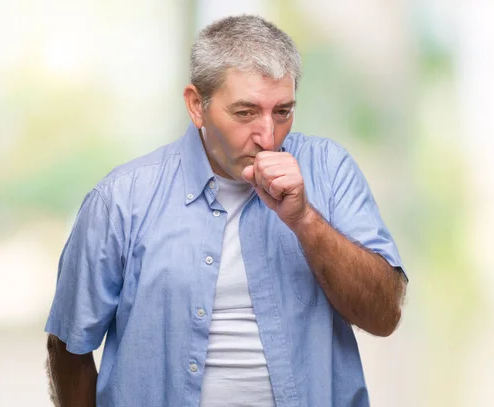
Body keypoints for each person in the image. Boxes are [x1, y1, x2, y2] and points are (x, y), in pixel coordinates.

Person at [45, 14, 408, 407]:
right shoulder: (119, 201)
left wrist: (304, 220)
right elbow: (68, 348)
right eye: (245, 112)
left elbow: (384, 316)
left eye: (282, 112)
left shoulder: (330, 171)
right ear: (196, 106)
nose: (267, 136)